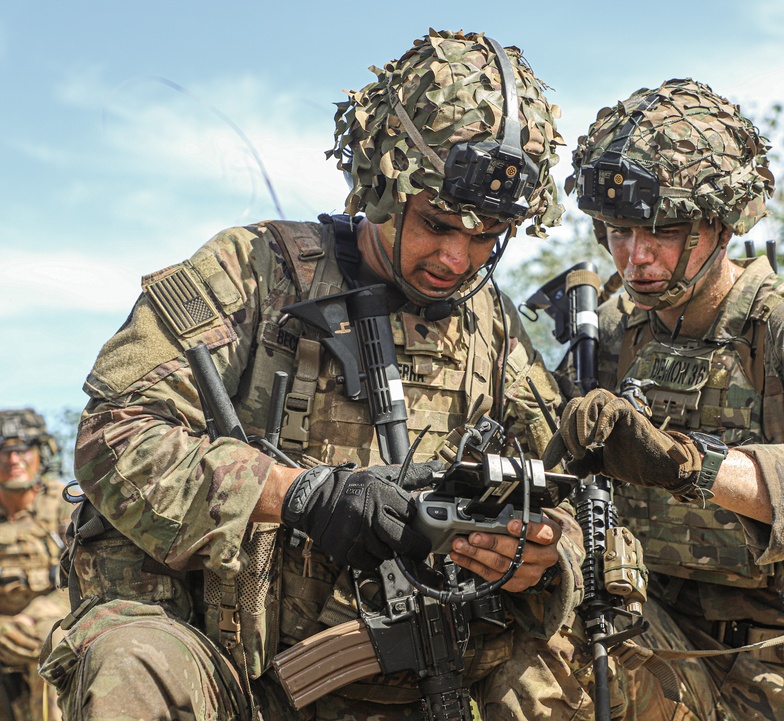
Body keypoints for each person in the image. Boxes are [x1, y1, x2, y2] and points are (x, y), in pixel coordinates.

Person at [40, 30, 591, 721]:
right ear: (381, 185)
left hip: (412, 674)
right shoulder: (252, 272)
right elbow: (112, 437)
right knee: (133, 667)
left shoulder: (496, 328)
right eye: (437, 223)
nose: (457, 257)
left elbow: (578, 494)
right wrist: (298, 494)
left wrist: (540, 553)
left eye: (487, 238)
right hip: (223, 664)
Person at [543, 78, 784, 720]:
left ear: (721, 223)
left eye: (661, 232)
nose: (635, 258)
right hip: (649, 630)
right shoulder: (608, 335)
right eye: (615, 232)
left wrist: (693, 468)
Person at [0, 409, 71, 721]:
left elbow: (86, 579)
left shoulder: (64, 505)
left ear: (41, 452)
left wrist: (32, 617)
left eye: (22, 449)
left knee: (52, 644)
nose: (13, 460)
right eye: (3, 451)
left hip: (46, 626)